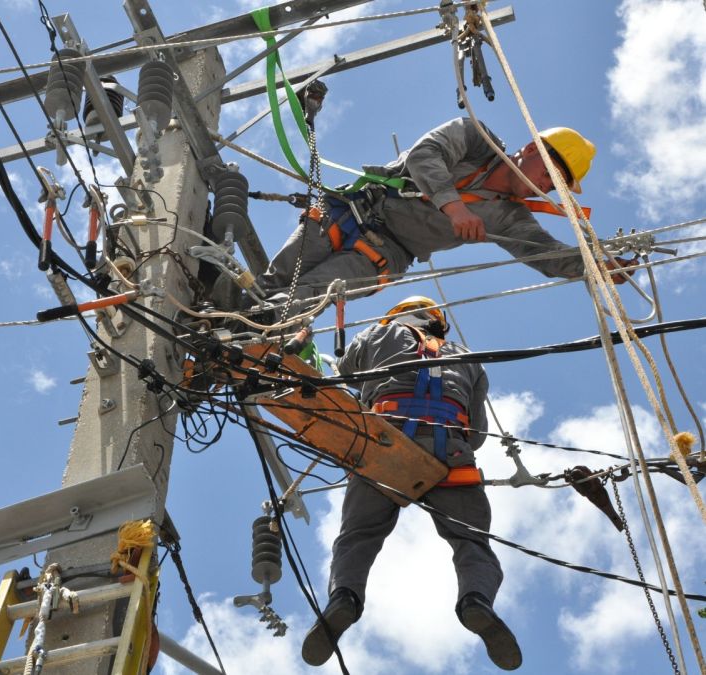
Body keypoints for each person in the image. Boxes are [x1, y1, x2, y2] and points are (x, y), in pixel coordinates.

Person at [301, 296, 521, 671]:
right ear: (438, 324)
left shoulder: (378, 333)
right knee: (471, 541)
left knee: (358, 535)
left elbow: (347, 373)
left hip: (384, 442)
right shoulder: (466, 357)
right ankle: (475, 601)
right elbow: (477, 433)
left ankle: (345, 598)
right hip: (450, 452)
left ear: (396, 317)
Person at [257, 118, 634, 303]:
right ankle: (214, 325)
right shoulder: (474, 138)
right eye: (553, 175)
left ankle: (249, 339)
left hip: (382, 254)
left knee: (308, 295)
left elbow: (545, 254)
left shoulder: (510, 217)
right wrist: (454, 208)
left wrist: (594, 267)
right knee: (274, 282)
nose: (548, 187)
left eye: (557, 186)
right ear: (533, 149)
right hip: (349, 212)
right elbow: (425, 155)